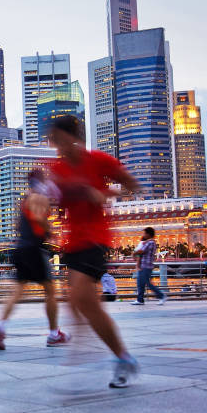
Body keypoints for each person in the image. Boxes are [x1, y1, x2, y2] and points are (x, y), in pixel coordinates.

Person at [47, 115, 141, 388]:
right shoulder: (58, 168)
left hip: (96, 238)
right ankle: (117, 355)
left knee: (81, 299)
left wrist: (105, 193)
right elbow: (54, 199)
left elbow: (132, 185)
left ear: (73, 137)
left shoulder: (98, 160)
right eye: (53, 140)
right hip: (73, 243)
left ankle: (110, 355)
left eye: (59, 139)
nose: (56, 145)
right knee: (80, 303)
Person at [0, 169, 69, 350]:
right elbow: (39, 218)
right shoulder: (39, 197)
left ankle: (0, 326)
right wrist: (51, 232)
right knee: (50, 291)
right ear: (41, 180)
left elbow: (18, 225)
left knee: (17, 291)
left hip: (21, 248)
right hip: (34, 248)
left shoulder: (25, 199)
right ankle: (54, 334)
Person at [131, 227, 167, 305]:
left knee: (147, 283)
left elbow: (141, 251)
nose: (143, 235)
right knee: (140, 283)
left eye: (144, 233)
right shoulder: (149, 242)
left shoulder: (150, 243)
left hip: (146, 266)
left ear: (148, 234)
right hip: (144, 266)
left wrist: (134, 253)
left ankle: (161, 296)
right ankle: (140, 300)